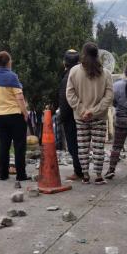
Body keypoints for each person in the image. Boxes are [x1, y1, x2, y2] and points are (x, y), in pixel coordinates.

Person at [66, 42, 113, 185]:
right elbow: (109, 96)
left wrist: (82, 110)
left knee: (83, 147)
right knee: (99, 147)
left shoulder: (74, 71)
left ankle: (85, 176)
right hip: (99, 117)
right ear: (97, 54)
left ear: (83, 54)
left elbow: (70, 93)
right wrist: (94, 111)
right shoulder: (105, 73)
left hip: (80, 118)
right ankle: (98, 176)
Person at [0, 51, 29, 181]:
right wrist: (25, 113)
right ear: (8, 62)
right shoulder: (12, 76)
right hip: (15, 114)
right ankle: (21, 175)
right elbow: (19, 97)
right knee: (19, 145)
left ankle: (3, 174)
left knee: (4, 144)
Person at [57, 50, 83, 181]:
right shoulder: (83, 74)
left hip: (71, 117)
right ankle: (83, 170)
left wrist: (62, 118)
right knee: (83, 144)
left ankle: (78, 172)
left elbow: (64, 100)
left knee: (74, 145)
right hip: (85, 114)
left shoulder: (67, 77)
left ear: (64, 63)